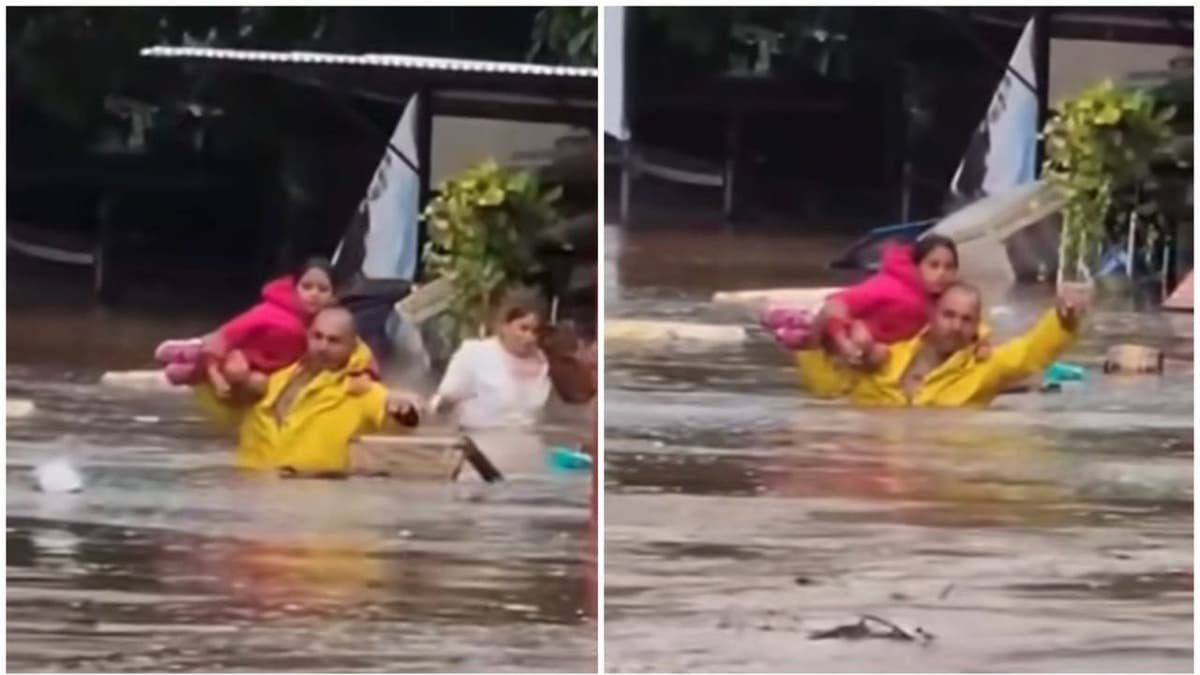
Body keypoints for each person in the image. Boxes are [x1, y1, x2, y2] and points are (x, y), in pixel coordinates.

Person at [195, 306, 420, 476]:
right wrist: (211, 373)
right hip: (253, 495)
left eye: (334, 341)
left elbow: (398, 423)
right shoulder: (274, 378)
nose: (323, 346)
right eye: (317, 336)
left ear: (352, 345)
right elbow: (225, 415)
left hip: (317, 503)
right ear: (308, 335)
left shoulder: (359, 389)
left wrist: (403, 412)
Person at [793, 282, 1087, 407]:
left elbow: (1030, 351)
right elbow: (825, 388)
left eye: (966, 320)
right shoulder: (884, 357)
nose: (956, 326)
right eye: (949, 315)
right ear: (932, 315)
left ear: (976, 326)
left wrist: (1063, 320)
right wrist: (819, 332)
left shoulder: (984, 369)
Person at [155, 257, 375, 400]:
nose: (314, 294)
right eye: (307, 287)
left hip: (275, 369)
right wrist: (216, 376)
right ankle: (193, 354)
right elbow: (228, 334)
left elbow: (356, 349)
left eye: (322, 289)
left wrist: (367, 374)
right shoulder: (270, 313)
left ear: (333, 295)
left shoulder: (331, 320)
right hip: (240, 358)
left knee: (262, 383)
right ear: (295, 288)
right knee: (243, 376)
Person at [764, 236, 990, 368]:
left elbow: (970, 322)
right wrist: (844, 342)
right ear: (917, 266)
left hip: (892, 351)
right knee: (868, 343)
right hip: (843, 337)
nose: (941, 274)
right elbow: (835, 305)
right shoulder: (891, 286)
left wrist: (982, 343)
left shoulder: (945, 297)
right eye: (934, 265)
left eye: (949, 267)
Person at [430, 289, 595, 431]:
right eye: (523, 328)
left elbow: (576, 396)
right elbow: (443, 401)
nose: (530, 338)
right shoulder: (475, 354)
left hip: (526, 446)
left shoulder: (544, 361)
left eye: (536, 331)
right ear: (504, 325)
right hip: (479, 443)